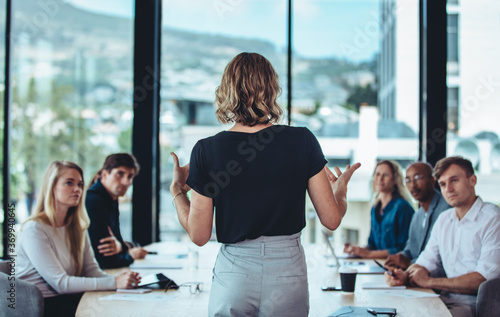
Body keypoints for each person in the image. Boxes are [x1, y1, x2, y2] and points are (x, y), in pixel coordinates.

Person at [170, 52, 360, 316]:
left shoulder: (206, 150)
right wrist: (340, 191)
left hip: (234, 273)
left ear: (226, 91)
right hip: (287, 270)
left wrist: (178, 191)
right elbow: (331, 219)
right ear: (271, 90)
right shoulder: (302, 140)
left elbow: (199, 235)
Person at [17, 161, 140, 317]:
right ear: (52, 186)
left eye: (80, 184)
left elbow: (92, 271)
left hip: (69, 299)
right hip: (43, 307)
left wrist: (121, 280)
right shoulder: (34, 229)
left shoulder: (77, 227)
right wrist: (115, 282)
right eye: (69, 183)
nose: (77, 189)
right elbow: (61, 283)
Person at [386, 156, 500, 317]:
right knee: (393, 309)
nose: (448, 189)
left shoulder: (492, 218)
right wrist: (405, 275)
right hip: (442, 299)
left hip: (474, 306)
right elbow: (426, 261)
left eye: (454, 180)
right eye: (443, 184)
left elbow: (483, 279)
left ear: (473, 180)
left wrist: (430, 282)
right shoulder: (444, 219)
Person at [86, 153, 148, 269]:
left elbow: (118, 241)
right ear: (104, 174)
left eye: (130, 176)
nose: (126, 182)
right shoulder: (94, 201)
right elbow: (104, 259)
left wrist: (121, 247)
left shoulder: (111, 199)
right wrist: (130, 255)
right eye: (120, 174)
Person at [384, 162, 450, 269]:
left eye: (418, 178)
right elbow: (409, 250)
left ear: (433, 180)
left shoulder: (447, 210)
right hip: (414, 276)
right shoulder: (417, 215)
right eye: (408, 180)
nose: (413, 185)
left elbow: (441, 258)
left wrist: (409, 264)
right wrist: (399, 258)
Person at [343, 160, 414, 259]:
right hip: (376, 264)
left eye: (385, 175)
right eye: (377, 174)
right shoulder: (375, 208)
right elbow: (371, 244)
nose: (380, 179)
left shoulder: (403, 207)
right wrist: (357, 250)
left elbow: (403, 249)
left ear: (394, 180)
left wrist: (368, 254)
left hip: (395, 267)